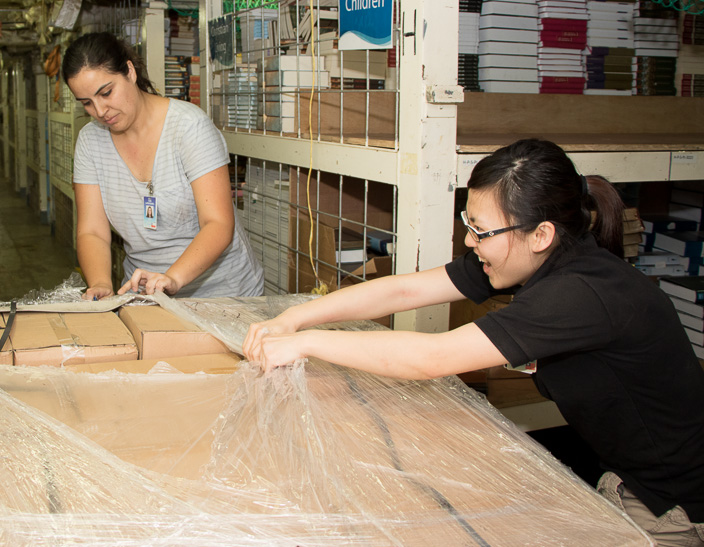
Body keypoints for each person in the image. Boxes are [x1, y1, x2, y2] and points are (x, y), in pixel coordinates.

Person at [243, 138, 704, 546]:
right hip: (632, 474)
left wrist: (306, 344)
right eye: (469, 222)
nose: (470, 240)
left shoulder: (579, 294)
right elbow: (406, 289)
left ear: (541, 234)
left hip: (673, 505)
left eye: (482, 231)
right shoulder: (534, 260)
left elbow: (433, 358)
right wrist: (295, 318)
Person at [63, 31, 264, 299]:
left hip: (223, 294)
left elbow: (218, 224)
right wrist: (100, 282)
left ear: (130, 72)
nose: (100, 111)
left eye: (106, 93)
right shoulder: (90, 142)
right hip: (144, 295)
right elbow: (92, 231)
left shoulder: (189, 128)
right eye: (87, 103)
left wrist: (172, 278)